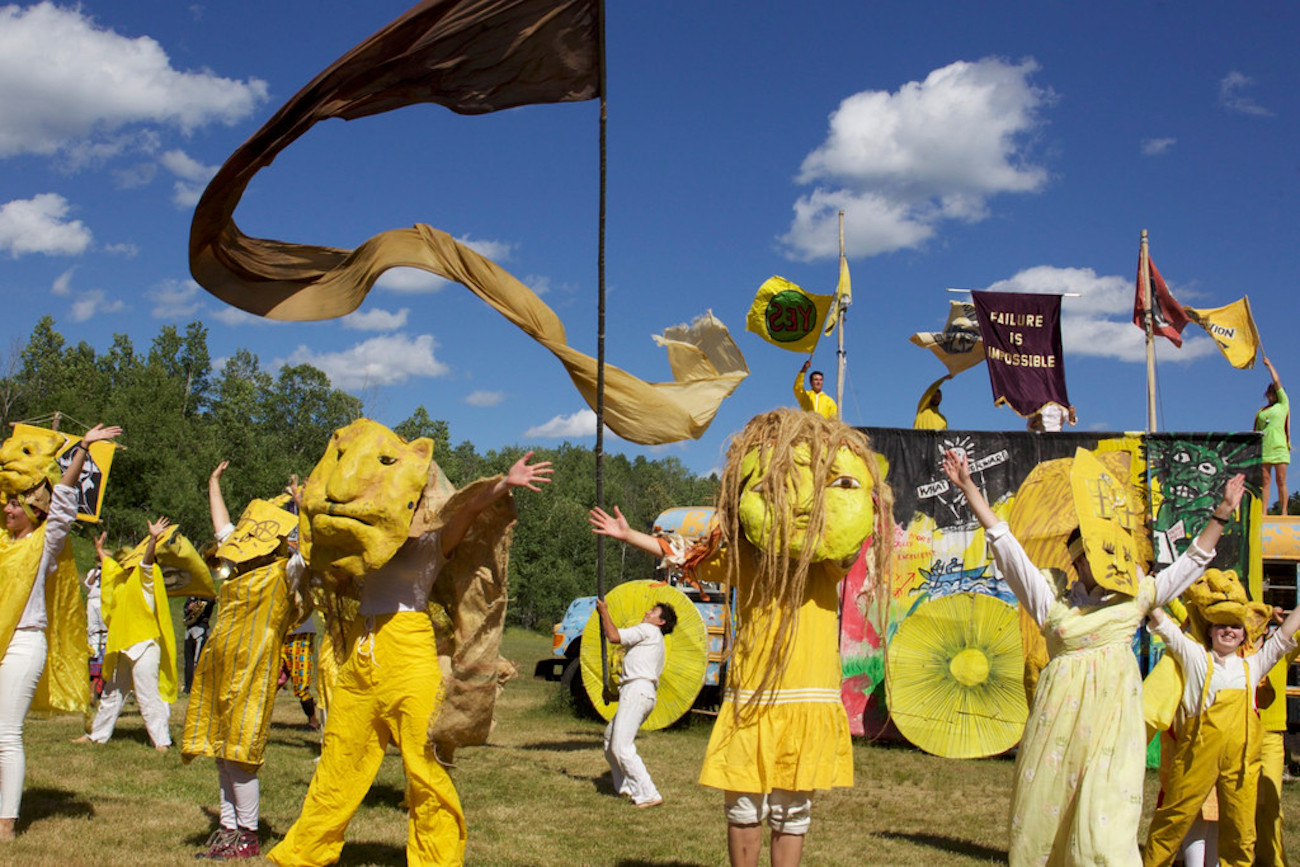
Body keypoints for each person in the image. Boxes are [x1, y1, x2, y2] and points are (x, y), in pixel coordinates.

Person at [268, 419, 552, 867]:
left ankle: (436, 860)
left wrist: (504, 482)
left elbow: (467, 511)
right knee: (338, 759)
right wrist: (307, 503)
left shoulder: (431, 545)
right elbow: (322, 543)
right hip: (362, 656)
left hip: (410, 651)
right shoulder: (365, 546)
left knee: (424, 766)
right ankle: (304, 853)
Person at [942, 448, 1243, 867]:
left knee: (1104, 828)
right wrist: (968, 487)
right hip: (1058, 727)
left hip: (1112, 728)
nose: (1101, 563)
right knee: (1046, 822)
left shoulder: (1137, 597)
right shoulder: (1053, 602)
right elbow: (1007, 548)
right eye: (1090, 556)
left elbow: (1190, 563)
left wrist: (1222, 514)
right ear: (1079, 559)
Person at [672, 409, 890, 866]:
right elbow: (683, 557)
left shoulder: (829, 562)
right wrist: (628, 533)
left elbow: (852, 534)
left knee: (792, 812)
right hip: (753, 695)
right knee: (743, 807)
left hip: (806, 695)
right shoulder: (744, 558)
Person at [0, 422, 118, 840]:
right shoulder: (1, 543)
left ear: (33, 509)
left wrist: (82, 449)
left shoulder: (45, 542)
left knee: (6, 734)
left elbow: (64, 501)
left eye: (16, 503)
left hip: (24, 641)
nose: (8, 509)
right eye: (6, 502)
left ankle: (7, 822)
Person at [182, 460, 305, 860]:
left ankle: (248, 835)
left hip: (254, 666)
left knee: (241, 751)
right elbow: (223, 528)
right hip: (221, 660)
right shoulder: (234, 570)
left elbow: (310, 549)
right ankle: (228, 829)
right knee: (221, 749)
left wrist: (301, 510)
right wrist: (213, 482)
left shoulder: (286, 570)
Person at [1142, 600, 1300, 866]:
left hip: (1240, 763)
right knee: (1172, 820)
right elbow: (1166, 627)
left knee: (1241, 829)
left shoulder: (1253, 665)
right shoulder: (1194, 658)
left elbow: (1284, 635)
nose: (1228, 631)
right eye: (1221, 625)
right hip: (1196, 758)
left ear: (1244, 634)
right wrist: (1146, 588)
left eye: (1235, 626)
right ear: (1209, 630)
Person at [76, 515, 178, 751]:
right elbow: (110, 567)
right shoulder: (123, 580)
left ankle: (162, 741)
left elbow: (145, 564)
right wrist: (100, 551)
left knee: (147, 695)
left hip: (143, 645)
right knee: (112, 694)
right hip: (123, 644)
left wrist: (152, 541)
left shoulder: (147, 578)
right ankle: (97, 735)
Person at [593, 596, 676, 808]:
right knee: (611, 739)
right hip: (638, 692)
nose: (647, 613)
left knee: (622, 746)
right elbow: (638, 674)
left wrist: (604, 612)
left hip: (638, 692)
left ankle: (648, 792)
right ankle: (626, 786)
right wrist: (614, 695)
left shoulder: (648, 630)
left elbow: (613, 636)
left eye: (653, 612)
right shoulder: (654, 640)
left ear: (661, 622)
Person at [1256, 356, 1290, 515]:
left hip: (1279, 447)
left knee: (1281, 480)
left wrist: (1269, 366)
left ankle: (1284, 512)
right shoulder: (1262, 412)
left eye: (1273, 392)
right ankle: (1263, 512)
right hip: (1265, 448)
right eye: (1269, 392)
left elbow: (1277, 382)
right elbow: (1256, 431)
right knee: (1265, 481)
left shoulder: (1283, 405)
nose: (1271, 394)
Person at [182, 596, 214, 694]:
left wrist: (197, 605)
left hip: (201, 628)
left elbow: (210, 603)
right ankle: (188, 686)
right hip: (190, 629)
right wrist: (190, 607)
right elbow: (186, 609)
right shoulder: (192, 596)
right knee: (188, 661)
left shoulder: (208, 597)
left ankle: (198, 686)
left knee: (198, 661)